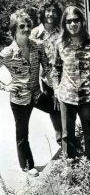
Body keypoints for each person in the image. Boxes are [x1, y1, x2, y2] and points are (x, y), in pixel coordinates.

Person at [0, 9, 59, 176]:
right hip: (19, 100)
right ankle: (27, 166)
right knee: (22, 134)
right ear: (14, 30)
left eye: (28, 25)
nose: (26, 29)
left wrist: (55, 89)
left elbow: (47, 68)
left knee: (59, 109)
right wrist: (5, 86)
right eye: (21, 26)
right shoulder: (7, 53)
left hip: (37, 94)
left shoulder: (38, 46)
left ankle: (68, 145)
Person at [51, 6, 90, 160]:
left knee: (89, 134)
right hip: (66, 97)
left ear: (82, 22)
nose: (73, 24)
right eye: (69, 21)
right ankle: (70, 168)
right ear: (64, 24)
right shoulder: (60, 44)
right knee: (67, 135)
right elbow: (56, 69)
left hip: (87, 97)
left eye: (76, 20)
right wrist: (56, 89)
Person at [30, 0, 63, 144]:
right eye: (48, 11)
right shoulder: (36, 33)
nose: (50, 14)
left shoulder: (62, 32)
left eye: (53, 11)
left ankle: (68, 138)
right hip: (46, 79)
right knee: (54, 108)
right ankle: (60, 138)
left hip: (64, 76)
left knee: (66, 107)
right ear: (43, 13)